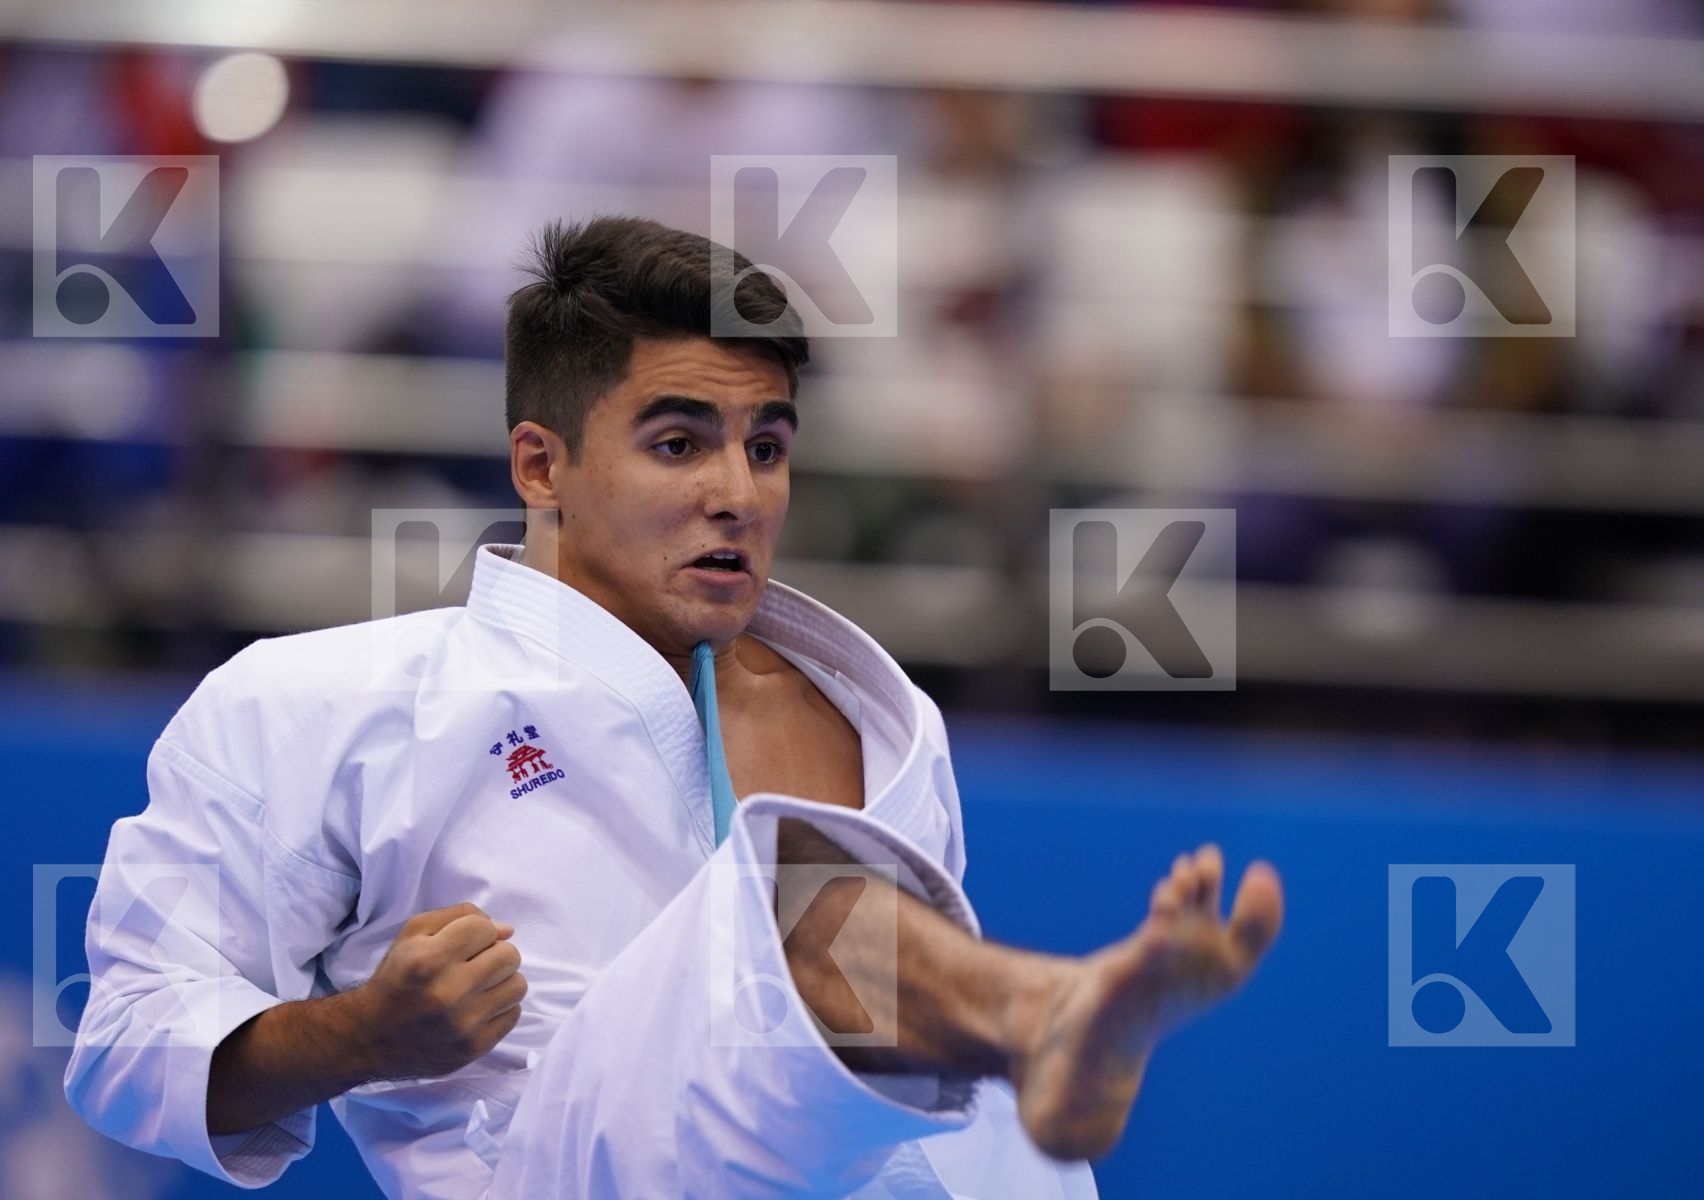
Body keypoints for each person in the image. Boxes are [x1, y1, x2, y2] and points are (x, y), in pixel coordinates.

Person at [65, 216, 1284, 1199]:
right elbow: (126, 1037)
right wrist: (363, 1036)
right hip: (580, 1166)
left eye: (768, 446)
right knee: (790, 909)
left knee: (916, 1046)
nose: (738, 492)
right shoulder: (330, 703)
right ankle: (1039, 1009)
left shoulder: (875, 713)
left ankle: (1037, 1032)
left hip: (925, 1171)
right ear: (541, 464)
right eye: (679, 444)